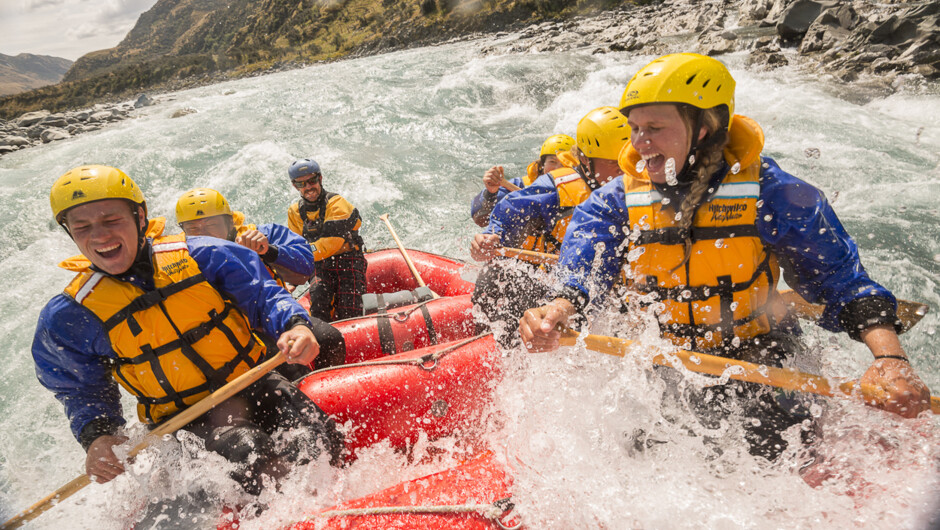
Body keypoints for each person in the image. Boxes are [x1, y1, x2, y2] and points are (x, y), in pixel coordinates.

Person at [518, 53, 931, 459]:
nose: (640, 142)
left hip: (757, 349)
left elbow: (842, 282)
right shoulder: (614, 201)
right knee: (638, 448)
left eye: (655, 128)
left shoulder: (774, 193)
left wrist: (890, 357)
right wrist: (558, 306)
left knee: (773, 443)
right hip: (663, 353)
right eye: (635, 128)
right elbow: (583, 269)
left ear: (703, 128)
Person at [33, 165, 343, 497]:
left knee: (319, 438)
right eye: (82, 227)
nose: (99, 236)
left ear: (140, 217)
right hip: (185, 422)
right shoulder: (70, 315)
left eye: (111, 220)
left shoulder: (203, 255)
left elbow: (263, 295)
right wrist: (97, 435)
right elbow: (80, 389)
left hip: (256, 383)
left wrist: (294, 324)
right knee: (249, 451)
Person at [470, 108, 630, 347]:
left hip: (589, 286)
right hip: (543, 281)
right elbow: (507, 213)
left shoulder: (633, 187)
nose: (624, 170)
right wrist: (492, 237)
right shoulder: (553, 188)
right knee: (501, 279)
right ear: (586, 160)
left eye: (627, 160)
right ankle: (491, 345)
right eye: (615, 164)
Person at [176, 187, 346, 372]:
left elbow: (307, 264)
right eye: (193, 228)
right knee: (290, 369)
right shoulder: (183, 260)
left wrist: (269, 250)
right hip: (229, 332)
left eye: (211, 225)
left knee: (330, 338)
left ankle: (327, 384)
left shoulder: (263, 233)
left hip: (274, 315)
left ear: (230, 221)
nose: (204, 234)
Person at [286, 158, 368, 322]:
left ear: (320, 178)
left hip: (348, 260)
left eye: (312, 180)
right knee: (319, 300)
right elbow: (295, 246)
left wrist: (303, 254)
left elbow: (328, 245)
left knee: (349, 310)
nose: (309, 187)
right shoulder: (294, 212)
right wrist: (291, 279)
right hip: (320, 265)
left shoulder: (337, 204)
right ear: (295, 186)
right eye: (302, 184)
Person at [471, 134, 575, 228]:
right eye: (552, 161)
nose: (557, 169)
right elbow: (480, 219)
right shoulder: (520, 185)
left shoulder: (581, 192)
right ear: (542, 164)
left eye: (565, 163)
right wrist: (490, 194)